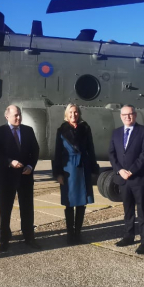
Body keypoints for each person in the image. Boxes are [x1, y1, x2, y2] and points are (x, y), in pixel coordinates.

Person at [0, 105, 40, 251]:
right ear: (7, 116)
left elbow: (35, 151)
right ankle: (4, 240)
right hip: (6, 177)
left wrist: (31, 166)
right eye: (15, 115)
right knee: (5, 211)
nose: (18, 118)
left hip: (25, 176)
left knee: (27, 210)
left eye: (19, 115)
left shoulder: (28, 130)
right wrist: (9, 162)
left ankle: (29, 238)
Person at [108, 104, 144, 254]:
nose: (127, 117)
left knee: (142, 211)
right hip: (123, 178)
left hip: (138, 178)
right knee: (127, 210)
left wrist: (131, 170)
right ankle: (129, 236)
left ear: (135, 115)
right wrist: (119, 170)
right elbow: (112, 154)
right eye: (124, 115)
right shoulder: (116, 133)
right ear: (121, 117)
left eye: (130, 114)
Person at [52, 104, 99, 244]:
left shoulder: (85, 128)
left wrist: (93, 168)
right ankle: (69, 234)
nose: (74, 115)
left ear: (79, 113)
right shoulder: (61, 130)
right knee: (69, 203)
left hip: (83, 167)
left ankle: (78, 233)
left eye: (76, 112)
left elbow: (91, 148)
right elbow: (57, 153)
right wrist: (58, 173)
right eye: (71, 112)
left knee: (81, 203)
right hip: (68, 170)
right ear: (66, 114)